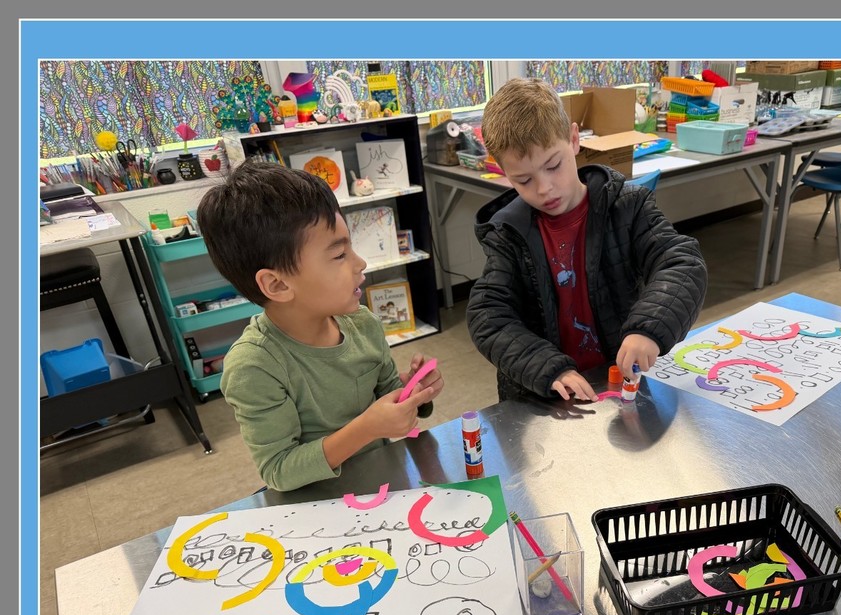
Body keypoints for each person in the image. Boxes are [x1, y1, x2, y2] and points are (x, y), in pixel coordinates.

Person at [196, 161, 444, 491]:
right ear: (277, 285)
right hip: (316, 508)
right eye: (339, 255)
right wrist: (367, 429)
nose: (360, 263)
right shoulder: (254, 367)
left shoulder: (363, 324)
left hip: (382, 486)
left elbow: (388, 398)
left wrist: (414, 391)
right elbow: (278, 470)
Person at [466, 78, 707, 402]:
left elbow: (682, 263)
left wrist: (648, 327)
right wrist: (547, 367)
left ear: (574, 139)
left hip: (619, 383)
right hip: (547, 396)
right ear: (505, 173)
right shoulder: (508, 234)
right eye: (523, 180)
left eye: (554, 166)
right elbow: (488, 315)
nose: (544, 188)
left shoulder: (627, 207)